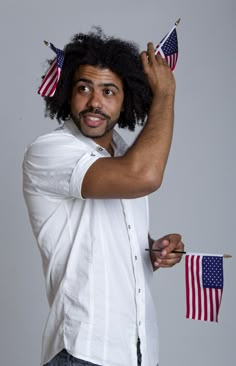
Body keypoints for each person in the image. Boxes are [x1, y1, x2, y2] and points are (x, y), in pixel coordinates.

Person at [23, 28, 184, 366]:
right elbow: (145, 176)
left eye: (109, 91)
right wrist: (165, 96)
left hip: (138, 351)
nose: (95, 102)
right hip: (84, 351)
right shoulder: (50, 151)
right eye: (84, 88)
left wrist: (152, 248)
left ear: (126, 100)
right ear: (68, 94)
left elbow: (105, 233)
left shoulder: (125, 155)